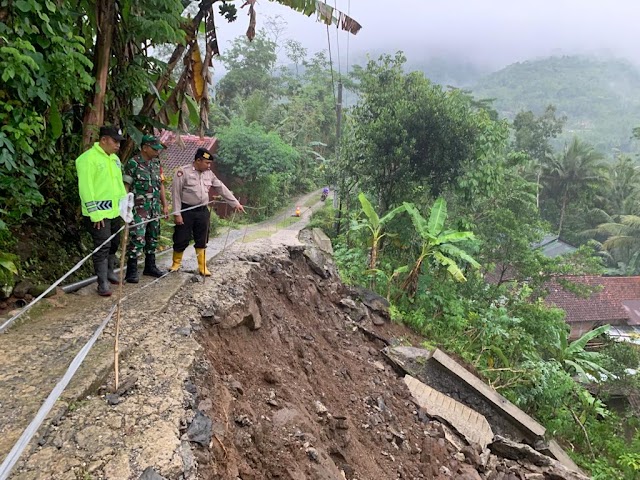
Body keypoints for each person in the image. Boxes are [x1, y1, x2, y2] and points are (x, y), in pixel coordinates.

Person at [170, 147, 245, 276]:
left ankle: (202, 267)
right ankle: (176, 263)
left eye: (209, 163)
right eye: (207, 163)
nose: (209, 165)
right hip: (186, 210)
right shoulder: (183, 172)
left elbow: (221, 188)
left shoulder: (209, 174)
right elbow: (175, 194)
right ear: (198, 160)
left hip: (202, 211)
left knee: (202, 238)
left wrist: (235, 203)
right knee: (181, 238)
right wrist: (177, 213)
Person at [75, 125, 127, 296]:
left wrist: (125, 207)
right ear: (103, 140)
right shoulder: (88, 159)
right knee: (102, 246)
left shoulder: (115, 159)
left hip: (115, 212)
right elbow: (86, 189)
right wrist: (95, 214)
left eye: (119, 142)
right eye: (115, 141)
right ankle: (102, 282)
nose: (118, 145)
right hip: (98, 214)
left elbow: (119, 186)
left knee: (114, 243)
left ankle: (110, 272)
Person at [122, 134, 170, 283]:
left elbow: (160, 184)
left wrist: (165, 204)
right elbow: (126, 185)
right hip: (139, 208)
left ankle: (150, 266)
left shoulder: (156, 163)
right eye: (155, 149)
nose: (157, 152)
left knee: (153, 236)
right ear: (145, 148)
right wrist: (126, 207)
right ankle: (131, 271)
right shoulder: (133, 164)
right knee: (137, 237)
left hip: (154, 207)